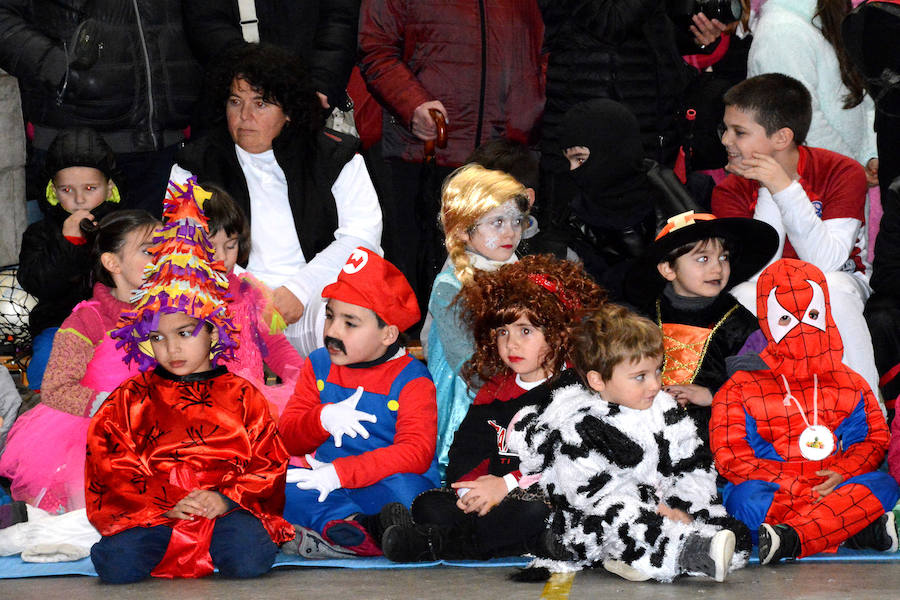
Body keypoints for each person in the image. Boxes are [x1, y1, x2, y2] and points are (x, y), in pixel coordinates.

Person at [87, 176, 292, 583]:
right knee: (115, 564)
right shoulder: (131, 397)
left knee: (249, 560)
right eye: (159, 338)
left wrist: (223, 498)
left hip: (225, 509)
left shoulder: (241, 395)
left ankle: (230, 539)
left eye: (185, 333)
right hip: (157, 513)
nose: (172, 349)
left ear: (212, 333)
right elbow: (110, 463)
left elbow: (268, 463)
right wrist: (167, 502)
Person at [382, 255, 606, 562]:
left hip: (538, 494)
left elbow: (568, 464)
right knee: (429, 505)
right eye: (503, 332)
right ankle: (522, 542)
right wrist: (470, 492)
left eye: (525, 331)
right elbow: (466, 449)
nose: (511, 344)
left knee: (535, 511)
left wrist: (506, 484)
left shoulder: (574, 391)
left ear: (559, 332)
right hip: (494, 498)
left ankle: (437, 544)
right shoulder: (496, 388)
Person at [170, 43, 382, 357]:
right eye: (235, 101)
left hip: (317, 298)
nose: (244, 116)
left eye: (261, 103)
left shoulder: (335, 156)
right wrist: (251, 294)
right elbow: (183, 244)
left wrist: (299, 289)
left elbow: (362, 237)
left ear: (289, 112)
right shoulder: (194, 165)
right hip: (227, 298)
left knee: (358, 323)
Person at [511, 303, 750, 582]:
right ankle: (685, 552)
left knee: (729, 528)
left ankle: (660, 555)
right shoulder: (580, 425)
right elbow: (588, 494)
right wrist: (657, 512)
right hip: (590, 519)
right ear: (598, 380)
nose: (655, 385)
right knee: (617, 517)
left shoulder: (665, 408)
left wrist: (682, 508)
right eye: (640, 377)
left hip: (664, 510)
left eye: (657, 371)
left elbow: (693, 464)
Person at [709, 259, 899, 564]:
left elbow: (872, 439)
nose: (802, 328)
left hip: (834, 483)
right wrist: (792, 483)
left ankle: (791, 538)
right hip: (776, 488)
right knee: (744, 500)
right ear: (768, 322)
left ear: (826, 314)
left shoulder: (850, 382)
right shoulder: (740, 386)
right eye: (786, 319)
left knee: (884, 484)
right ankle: (850, 530)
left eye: (812, 315)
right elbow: (731, 457)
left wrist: (843, 473)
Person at [357, 0, 544, 307]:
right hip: (424, 155)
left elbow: (550, 44)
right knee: (424, 287)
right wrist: (412, 104)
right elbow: (376, 47)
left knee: (506, 296)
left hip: (506, 157)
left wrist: (528, 110)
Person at [712, 73, 881, 401]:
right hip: (768, 285)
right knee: (740, 296)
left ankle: (868, 411)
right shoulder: (729, 189)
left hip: (843, 278)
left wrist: (785, 188)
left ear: (782, 138)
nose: (725, 141)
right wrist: (769, 190)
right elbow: (758, 272)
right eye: (726, 129)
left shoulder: (840, 170)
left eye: (739, 132)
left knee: (828, 288)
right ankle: (774, 415)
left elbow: (826, 262)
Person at [278, 247, 438, 556]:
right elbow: (289, 439)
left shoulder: (413, 380)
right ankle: (359, 528)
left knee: (412, 496)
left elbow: (415, 454)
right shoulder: (318, 364)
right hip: (329, 482)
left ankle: (342, 530)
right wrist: (320, 418)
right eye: (329, 316)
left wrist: (341, 472)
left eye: (350, 323)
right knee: (278, 486)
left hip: (384, 484)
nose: (332, 331)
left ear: (388, 334)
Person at [0, 210, 158, 513]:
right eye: (150, 251)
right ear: (112, 263)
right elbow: (56, 388)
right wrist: (113, 405)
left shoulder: (175, 311)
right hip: (99, 426)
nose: (164, 258)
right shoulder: (88, 318)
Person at [0, 0, 201, 215]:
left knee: (164, 247)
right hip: (76, 152)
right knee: (73, 247)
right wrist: (57, 67)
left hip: (166, 147)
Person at [624, 210, 778, 445]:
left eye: (724, 258)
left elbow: (761, 389)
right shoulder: (640, 319)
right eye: (703, 259)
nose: (718, 268)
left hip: (715, 434)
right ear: (668, 269)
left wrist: (711, 395)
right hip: (643, 429)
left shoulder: (741, 327)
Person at [424, 164, 531, 480]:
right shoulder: (451, 287)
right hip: (471, 395)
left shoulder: (522, 274)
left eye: (515, 221)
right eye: (496, 222)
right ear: (461, 230)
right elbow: (466, 362)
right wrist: (514, 395)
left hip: (518, 387)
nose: (510, 232)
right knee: (468, 467)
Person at [17, 128, 125, 390]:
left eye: (90, 188)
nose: (79, 199)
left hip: (117, 326)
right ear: (53, 192)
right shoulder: (40, 233)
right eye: (66, 189)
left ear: (110, 189)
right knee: (46, 372)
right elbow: (38, 283)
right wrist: (68, 244)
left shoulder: (124, 229)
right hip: (59, 325)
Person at [200, 182, 305, 417]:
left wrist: (300, 376)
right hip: (203, 411)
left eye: (230, 246)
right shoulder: (175, 302)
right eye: (209, 247)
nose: (221, 258)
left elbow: (276, 346)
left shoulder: (251, 293)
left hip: (252, 409)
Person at [748, 0, 878, 181]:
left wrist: (869, 154)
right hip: (811, 187)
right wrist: (848, 168)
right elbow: (803, 121)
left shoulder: (825, 18)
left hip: (841, 180)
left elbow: (860, 92)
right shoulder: (782, 31)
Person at [182, 0, 359, 112]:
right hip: (233, 104)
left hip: (308, 103)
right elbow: (206, 24)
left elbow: (340, 19)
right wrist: (256, 85)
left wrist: (321, 82)